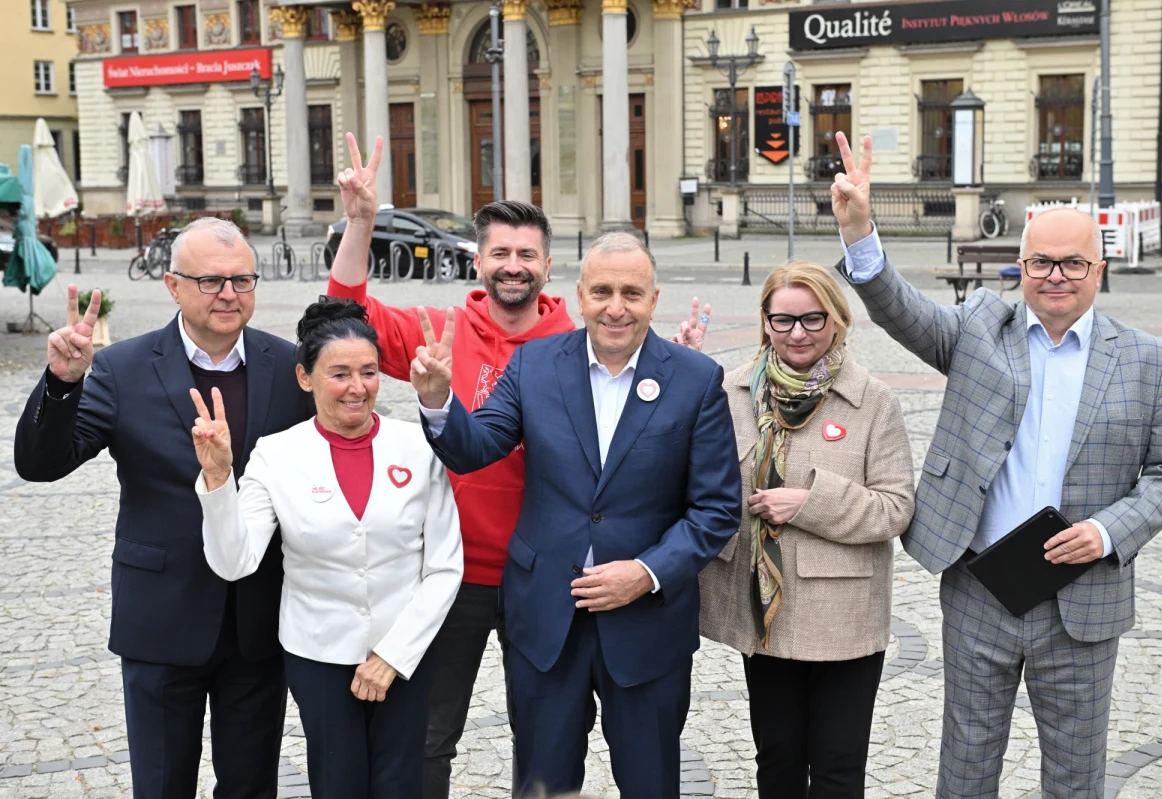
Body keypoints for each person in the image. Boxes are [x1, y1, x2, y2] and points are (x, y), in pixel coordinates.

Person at [325, 133, 711, 798]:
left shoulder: (578, 335)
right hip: (458, 570)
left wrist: (664, 366)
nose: (512, 264)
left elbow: (654, 432)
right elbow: (342, 316)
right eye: (499, 251)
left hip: (556, 580)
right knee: (429, 736)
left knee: (545, 744)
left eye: (525, 253)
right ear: (478, 260)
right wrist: (360, 221)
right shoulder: (437, 331)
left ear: (549, 266)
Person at [828, 132, 1162, 798]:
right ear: (1021, 267)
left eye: (1072, 263)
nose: (1055, 275)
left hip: (1081, 600)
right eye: (1040, 262)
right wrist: (860, 230)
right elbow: (900, 310)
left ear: (1100, 269)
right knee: (965, 770)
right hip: (981, 587)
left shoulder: (1146, 359)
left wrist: (1110, 531)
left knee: (1076, 775)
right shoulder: (979, 330)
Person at [408, 231, 741, 798]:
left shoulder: (695, 379)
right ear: (580, 296)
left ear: (653, 300)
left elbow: (716, 508)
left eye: (632, 293)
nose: (616, 307)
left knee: (650, 782)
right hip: (546, 619)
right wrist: (439, 401)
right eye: (603, 291)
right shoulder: (535, 364)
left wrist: (646, 572)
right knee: (543, 784)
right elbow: (478, 446)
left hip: (646, 624)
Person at [13, 217, 314, 799]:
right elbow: (41, 463)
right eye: (210, 281)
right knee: (161, 784)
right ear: (172, 286)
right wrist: (60, 385)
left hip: (259, 618)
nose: (229, 294)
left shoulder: (291, 367)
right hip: (160, 616)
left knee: (251, 786)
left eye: (242, 280)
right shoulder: (123, 368)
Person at [191, 298, 463, 799]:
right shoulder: (276, 454)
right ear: (304, 377)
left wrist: (393, 654)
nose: (357, 388)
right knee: (337, 786)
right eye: (338, 374)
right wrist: (217, 478)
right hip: (317, 653)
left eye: (369, 372)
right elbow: (235, 560)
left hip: (405, 654)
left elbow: (445, 566)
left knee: (402, 785)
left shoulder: (418, 446)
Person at [698, 262, 915, 798]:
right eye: (784, 320)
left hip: (843, 619)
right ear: (766, 322)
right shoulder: (732, 394)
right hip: (764, 615)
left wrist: (808, 503)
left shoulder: (872, 402)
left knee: (838, 769)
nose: (798, 333)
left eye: (813, 320)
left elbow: (895, 508)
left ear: (838, 320)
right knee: (776, 761)